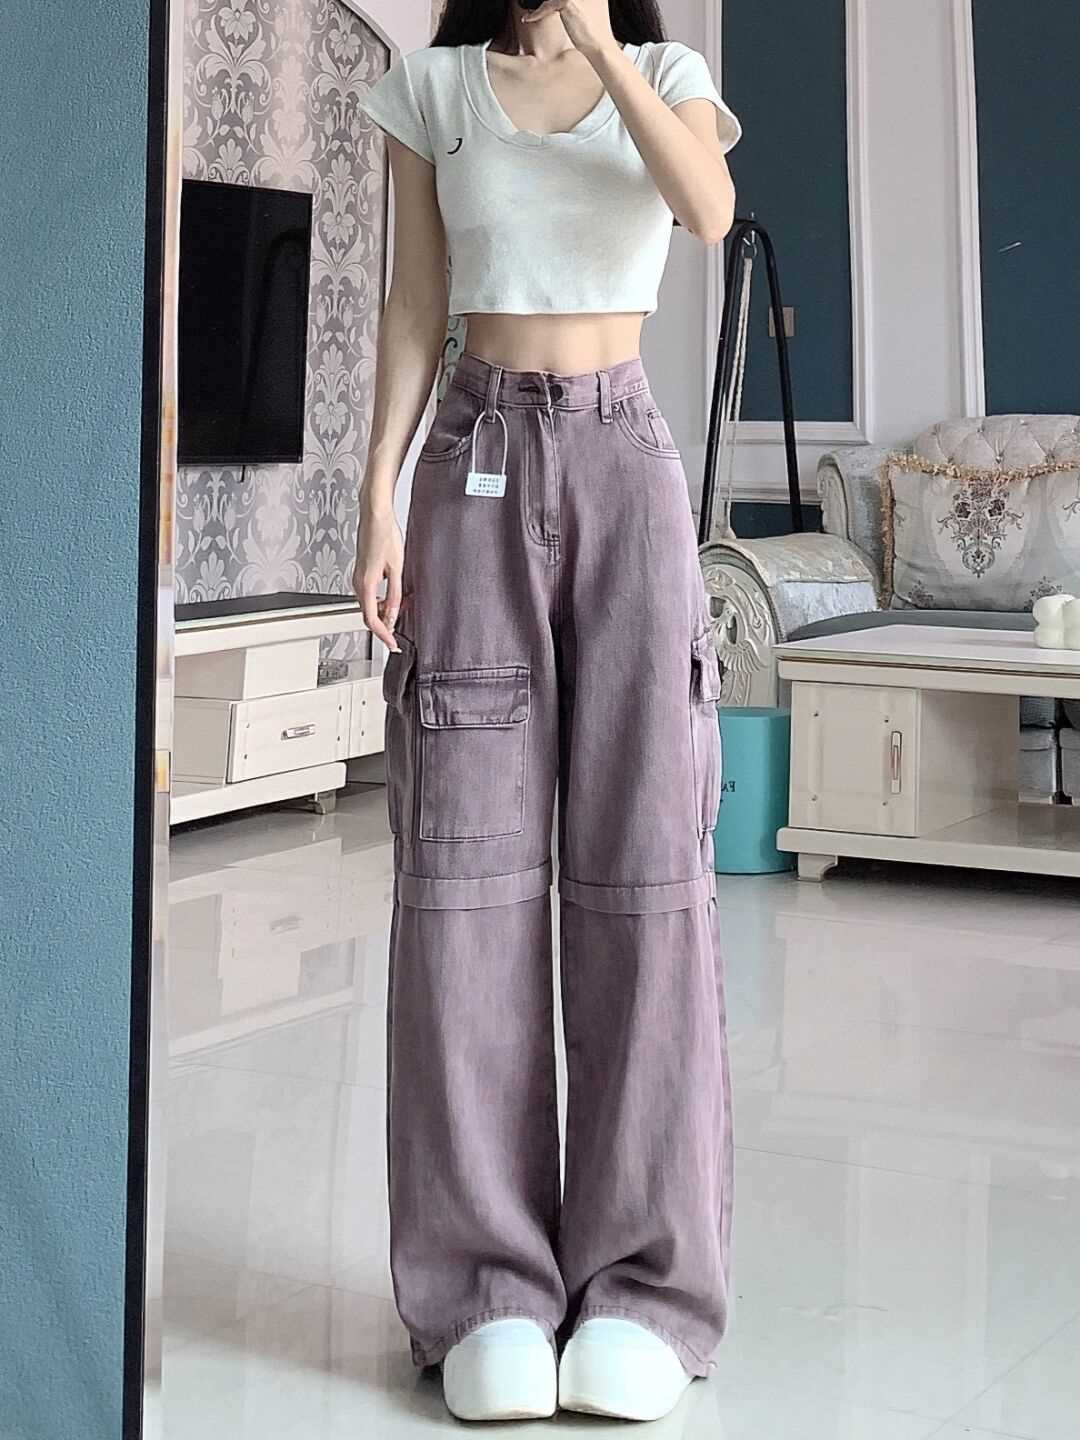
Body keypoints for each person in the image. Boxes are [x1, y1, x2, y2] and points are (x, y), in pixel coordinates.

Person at [354, 0, 740, 1423]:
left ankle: (644, 1290)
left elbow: (704, 209)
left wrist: (604, 45)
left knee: (646, 873)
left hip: (624, 465)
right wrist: (376, 495)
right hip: (470, 460)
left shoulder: (670, 74)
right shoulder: (430, 89)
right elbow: (416, 303)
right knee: (464, 879)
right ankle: (486, 1288)